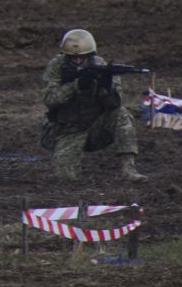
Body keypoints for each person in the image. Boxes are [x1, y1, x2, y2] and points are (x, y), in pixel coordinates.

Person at [40, 28, 148, 184]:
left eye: (82, 58)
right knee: (65, 179)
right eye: (72, 58)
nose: (77, 61)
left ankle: (128, 168)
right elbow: (49, 99)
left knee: (122, 115)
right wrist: (76, 85)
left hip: (95, 126)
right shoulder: (57, 67)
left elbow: (114, 105)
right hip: (68, 129)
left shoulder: (101, 67)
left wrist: (105, 88)